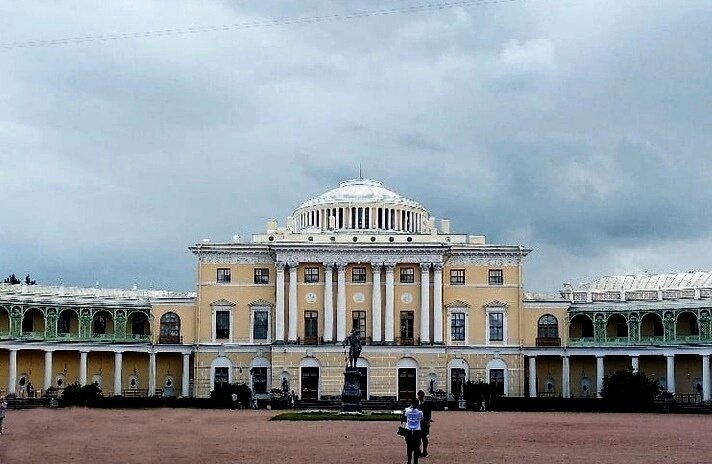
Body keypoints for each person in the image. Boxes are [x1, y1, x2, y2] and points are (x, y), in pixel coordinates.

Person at [402, 398, 423, 464]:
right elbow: (421, 418)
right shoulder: (420, 412)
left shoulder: (407, 411)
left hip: (408, 430)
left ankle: (409, 461)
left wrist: (410, 407)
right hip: (417, 430)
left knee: (409, 446)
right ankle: (416, 462)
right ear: (418, 404)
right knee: (416, 447)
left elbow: (404, 416)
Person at [417, 390, 433, 457]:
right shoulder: (416, 404)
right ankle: (418, 451)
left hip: (424, 422)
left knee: (424, 437)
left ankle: (424, 450)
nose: (420, 397)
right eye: (419, 395)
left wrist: (428, 422)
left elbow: (429, 414)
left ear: (423, 396)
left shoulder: (426, 404)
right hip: (417, 423)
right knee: (417, 438)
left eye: (421, 396)